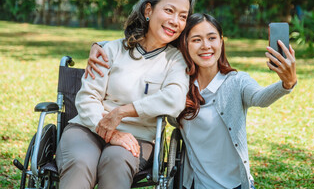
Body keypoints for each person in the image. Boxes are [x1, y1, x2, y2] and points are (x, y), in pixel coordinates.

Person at [87, 13, 297, 189]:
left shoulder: (236, 81)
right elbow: (145, 52)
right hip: (193, 184)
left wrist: (286, 84)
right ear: (184, 45)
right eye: (196, 39)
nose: (206, 46)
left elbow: (260, 98)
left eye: (212, 38)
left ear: (221, 42)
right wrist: (101, 45)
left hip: (235, 185)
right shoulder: (178, 85)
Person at [55, 0, 196, 189]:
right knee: (81, 162)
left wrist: (121, 112)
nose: (175, 21)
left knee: (115, 163)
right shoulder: (111, 50)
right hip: (87, 128)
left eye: (182, 16)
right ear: (148, 10)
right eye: (169, 11)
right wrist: (109, 131)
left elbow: (174, 101)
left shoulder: (175, 61)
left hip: (138, 138)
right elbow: (87, 98)